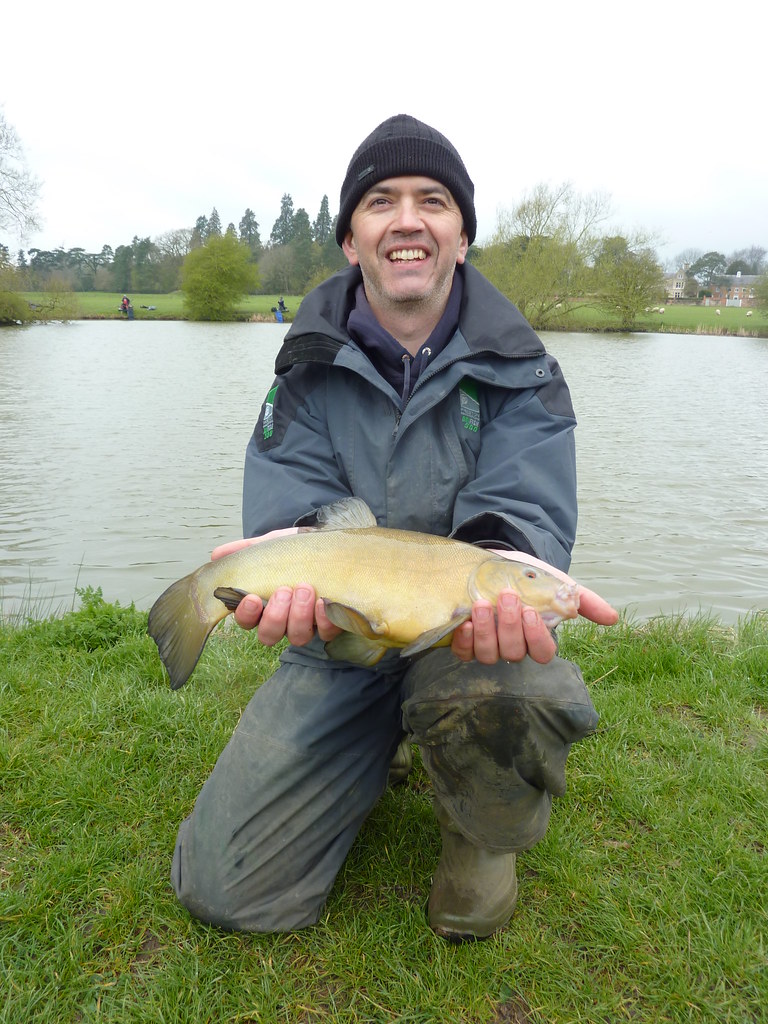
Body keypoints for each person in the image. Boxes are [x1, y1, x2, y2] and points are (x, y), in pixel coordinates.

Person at [170, 114, 618, 941]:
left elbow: (526, 518)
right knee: (226, 893)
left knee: (521, 678)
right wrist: (287, 576)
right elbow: (292, 511)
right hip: (340, 644)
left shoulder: (526, 374)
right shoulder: (304, 371)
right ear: (351, 240)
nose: (408, 218)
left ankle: (483, 843)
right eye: (381, 201)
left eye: (433, 201)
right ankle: (377, 747)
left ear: (461, 237)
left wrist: (522, 576)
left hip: (463, 645)